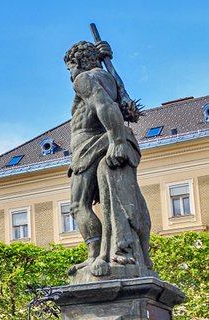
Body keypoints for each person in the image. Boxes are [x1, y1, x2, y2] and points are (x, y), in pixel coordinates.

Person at [64, 40, 152, 277]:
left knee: (77, 205)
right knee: (108, 198)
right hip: (106, 140)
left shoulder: (84, 79)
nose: (69, 75)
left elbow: (105, 106)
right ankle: (111, 248)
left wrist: (117, 141)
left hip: (89, 145)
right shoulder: (109, 78)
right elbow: (126, 106)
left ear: (77, 62)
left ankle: (94, 254)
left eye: (69, 68)